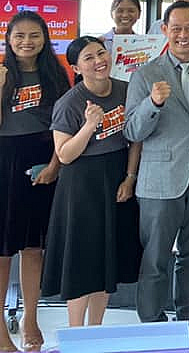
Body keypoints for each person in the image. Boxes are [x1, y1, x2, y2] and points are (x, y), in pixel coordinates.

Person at [124, 1, 189, 323]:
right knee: (155, 257)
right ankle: (151, 322)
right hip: (160, 177)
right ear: (164, 30)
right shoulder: (145, 74)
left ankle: (187, 319)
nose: (183, 35)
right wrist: (153, 103)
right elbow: (132, 130)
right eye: (176, 29)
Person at [42, 36, 142, 327]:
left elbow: (136, 138)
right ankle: (76, 333)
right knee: (82, 261)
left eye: (101, 53)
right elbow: (64, 154)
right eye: (89, 58)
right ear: (76, 68)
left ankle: (95, 331)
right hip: (81, 185)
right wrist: (89, 126)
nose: (99, 61)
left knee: (106, 261)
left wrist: (130, 177)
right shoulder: (69, 102)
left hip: (116, 176)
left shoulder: (125, 90)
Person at [0, 11, 71, 352]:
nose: (26, 42)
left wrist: (55, 165)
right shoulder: (2, 73)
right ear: (8, 40)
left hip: (43, 162)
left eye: (34, 35)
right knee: (2, 250)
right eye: (19, 36)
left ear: (45, 39)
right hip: (4, 162)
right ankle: (0, 329)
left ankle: (31, 319)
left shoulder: (56, 75)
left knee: (33, 247)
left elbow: (65, 125)